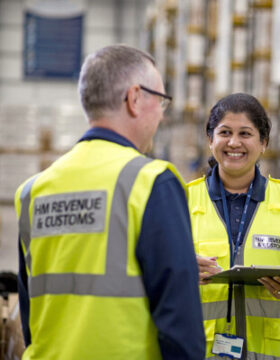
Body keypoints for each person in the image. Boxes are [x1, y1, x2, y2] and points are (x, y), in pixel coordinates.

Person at [14, 44, 205, 360]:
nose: (161, 114)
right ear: (134, 99)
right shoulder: (151, 182)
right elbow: (180, 325)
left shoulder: (32, 192)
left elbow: (30, 318)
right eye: (161, 101)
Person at [188, 93, 280, 359]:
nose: (234, 142)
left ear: (264, 143)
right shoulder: (181, 199)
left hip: (274, 351)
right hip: (203, 350)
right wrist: (184, 270)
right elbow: (158, 275)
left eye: (245, 133)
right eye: (225, 132)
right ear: (210, 139)